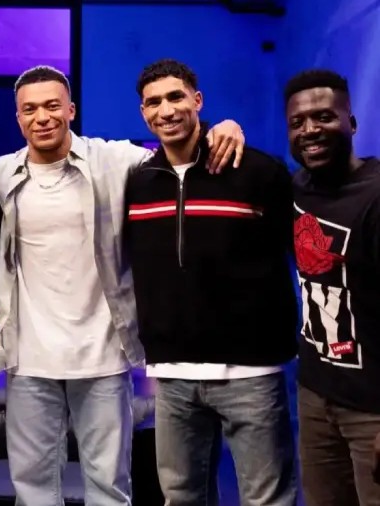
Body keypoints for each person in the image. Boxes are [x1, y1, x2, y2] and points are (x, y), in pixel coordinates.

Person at [0, 65, 245, 505]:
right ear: (18, 118)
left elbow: (176, 154)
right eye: (30, 109)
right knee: (34, 491)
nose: (42, 117)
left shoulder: (114, 161)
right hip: (30, 360)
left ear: (71, 110)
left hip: (102, 357)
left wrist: (220, 129)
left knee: (109, 489)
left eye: (52, 106)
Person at [125, 59, 298, 505]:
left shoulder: (258, 172)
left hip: (251, 372)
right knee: (181, 497)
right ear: (143, 112)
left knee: (267, 499)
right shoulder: (139, 183)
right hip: (172, 377)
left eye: (176, 97)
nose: (166, 110)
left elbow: (303, 258)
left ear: (197, 100)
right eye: (153, 102)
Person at [285, 69, 380, 506]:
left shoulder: (374, 195)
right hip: (316, 395)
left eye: (323, 117)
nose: (310, 130)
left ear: (352, 123)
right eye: (297, 122)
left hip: (372, 409)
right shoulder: (296, 189)